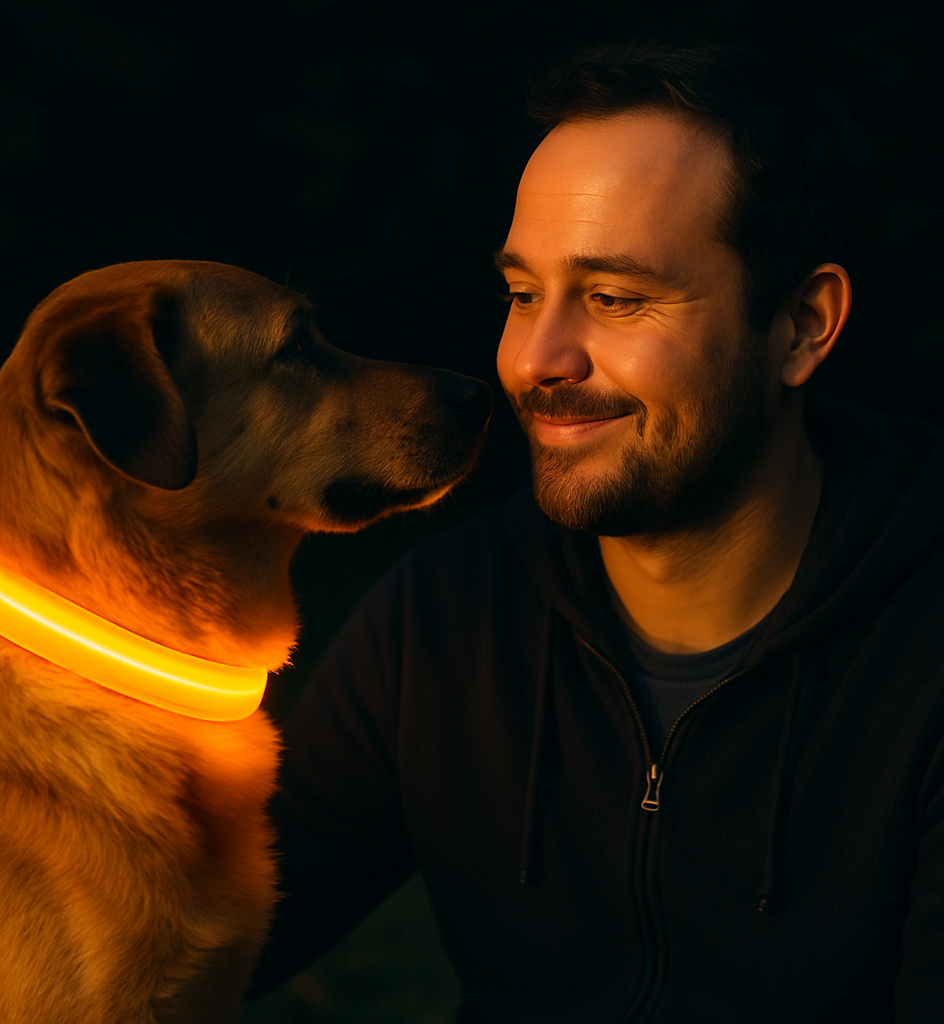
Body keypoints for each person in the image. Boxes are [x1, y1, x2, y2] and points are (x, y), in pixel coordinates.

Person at [249, 40, 944, 1022]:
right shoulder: (448, 618)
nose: (536, 359)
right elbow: (179, 942)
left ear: (801, 324)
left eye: (616, 300)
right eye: (522, 294)